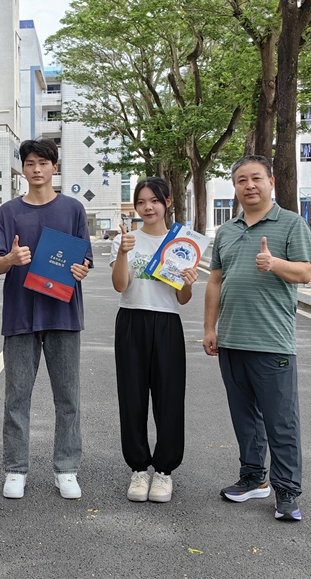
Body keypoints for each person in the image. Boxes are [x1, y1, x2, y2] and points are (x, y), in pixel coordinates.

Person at [203, 155, 311, 522]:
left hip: (271, 341)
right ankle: (253, 478)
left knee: (281, 421)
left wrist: (274, 264)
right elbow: (215, 281)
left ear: (271, 182)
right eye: (241, 180)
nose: (249, 185)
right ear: (234, 187)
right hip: (231, 340)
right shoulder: (227, 231)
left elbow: (305, 273)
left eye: (256, 178)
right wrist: (209, 328)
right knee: (244, 418)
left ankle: (287, 491)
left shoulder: (292, 224)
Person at [0, 137, 92, 500]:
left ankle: (67, 469)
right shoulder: (9, 212)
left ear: (54, 167)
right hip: (20, 314)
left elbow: (84, 259)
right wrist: (10, 259)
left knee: (68, 397)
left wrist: (81, 269)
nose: (37, 169)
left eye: (43, 163)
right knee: (16, 397)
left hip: (63, 313)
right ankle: (15, 470)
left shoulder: (73, 209)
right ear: (23, 169)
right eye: (30, 163)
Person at [111, 177, 197, 504]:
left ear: (168, 202)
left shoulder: (181, 243)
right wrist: (123, 252)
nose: (148, 207)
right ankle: (138, 469)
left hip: (167, 323)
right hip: (131, 320)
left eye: (155, 201)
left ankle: (164, 471)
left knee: (169, 397)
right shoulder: (126, 240)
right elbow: (120, 286)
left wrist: (188, 283)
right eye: (142, 202)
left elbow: (182, 299)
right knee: (132, 396)